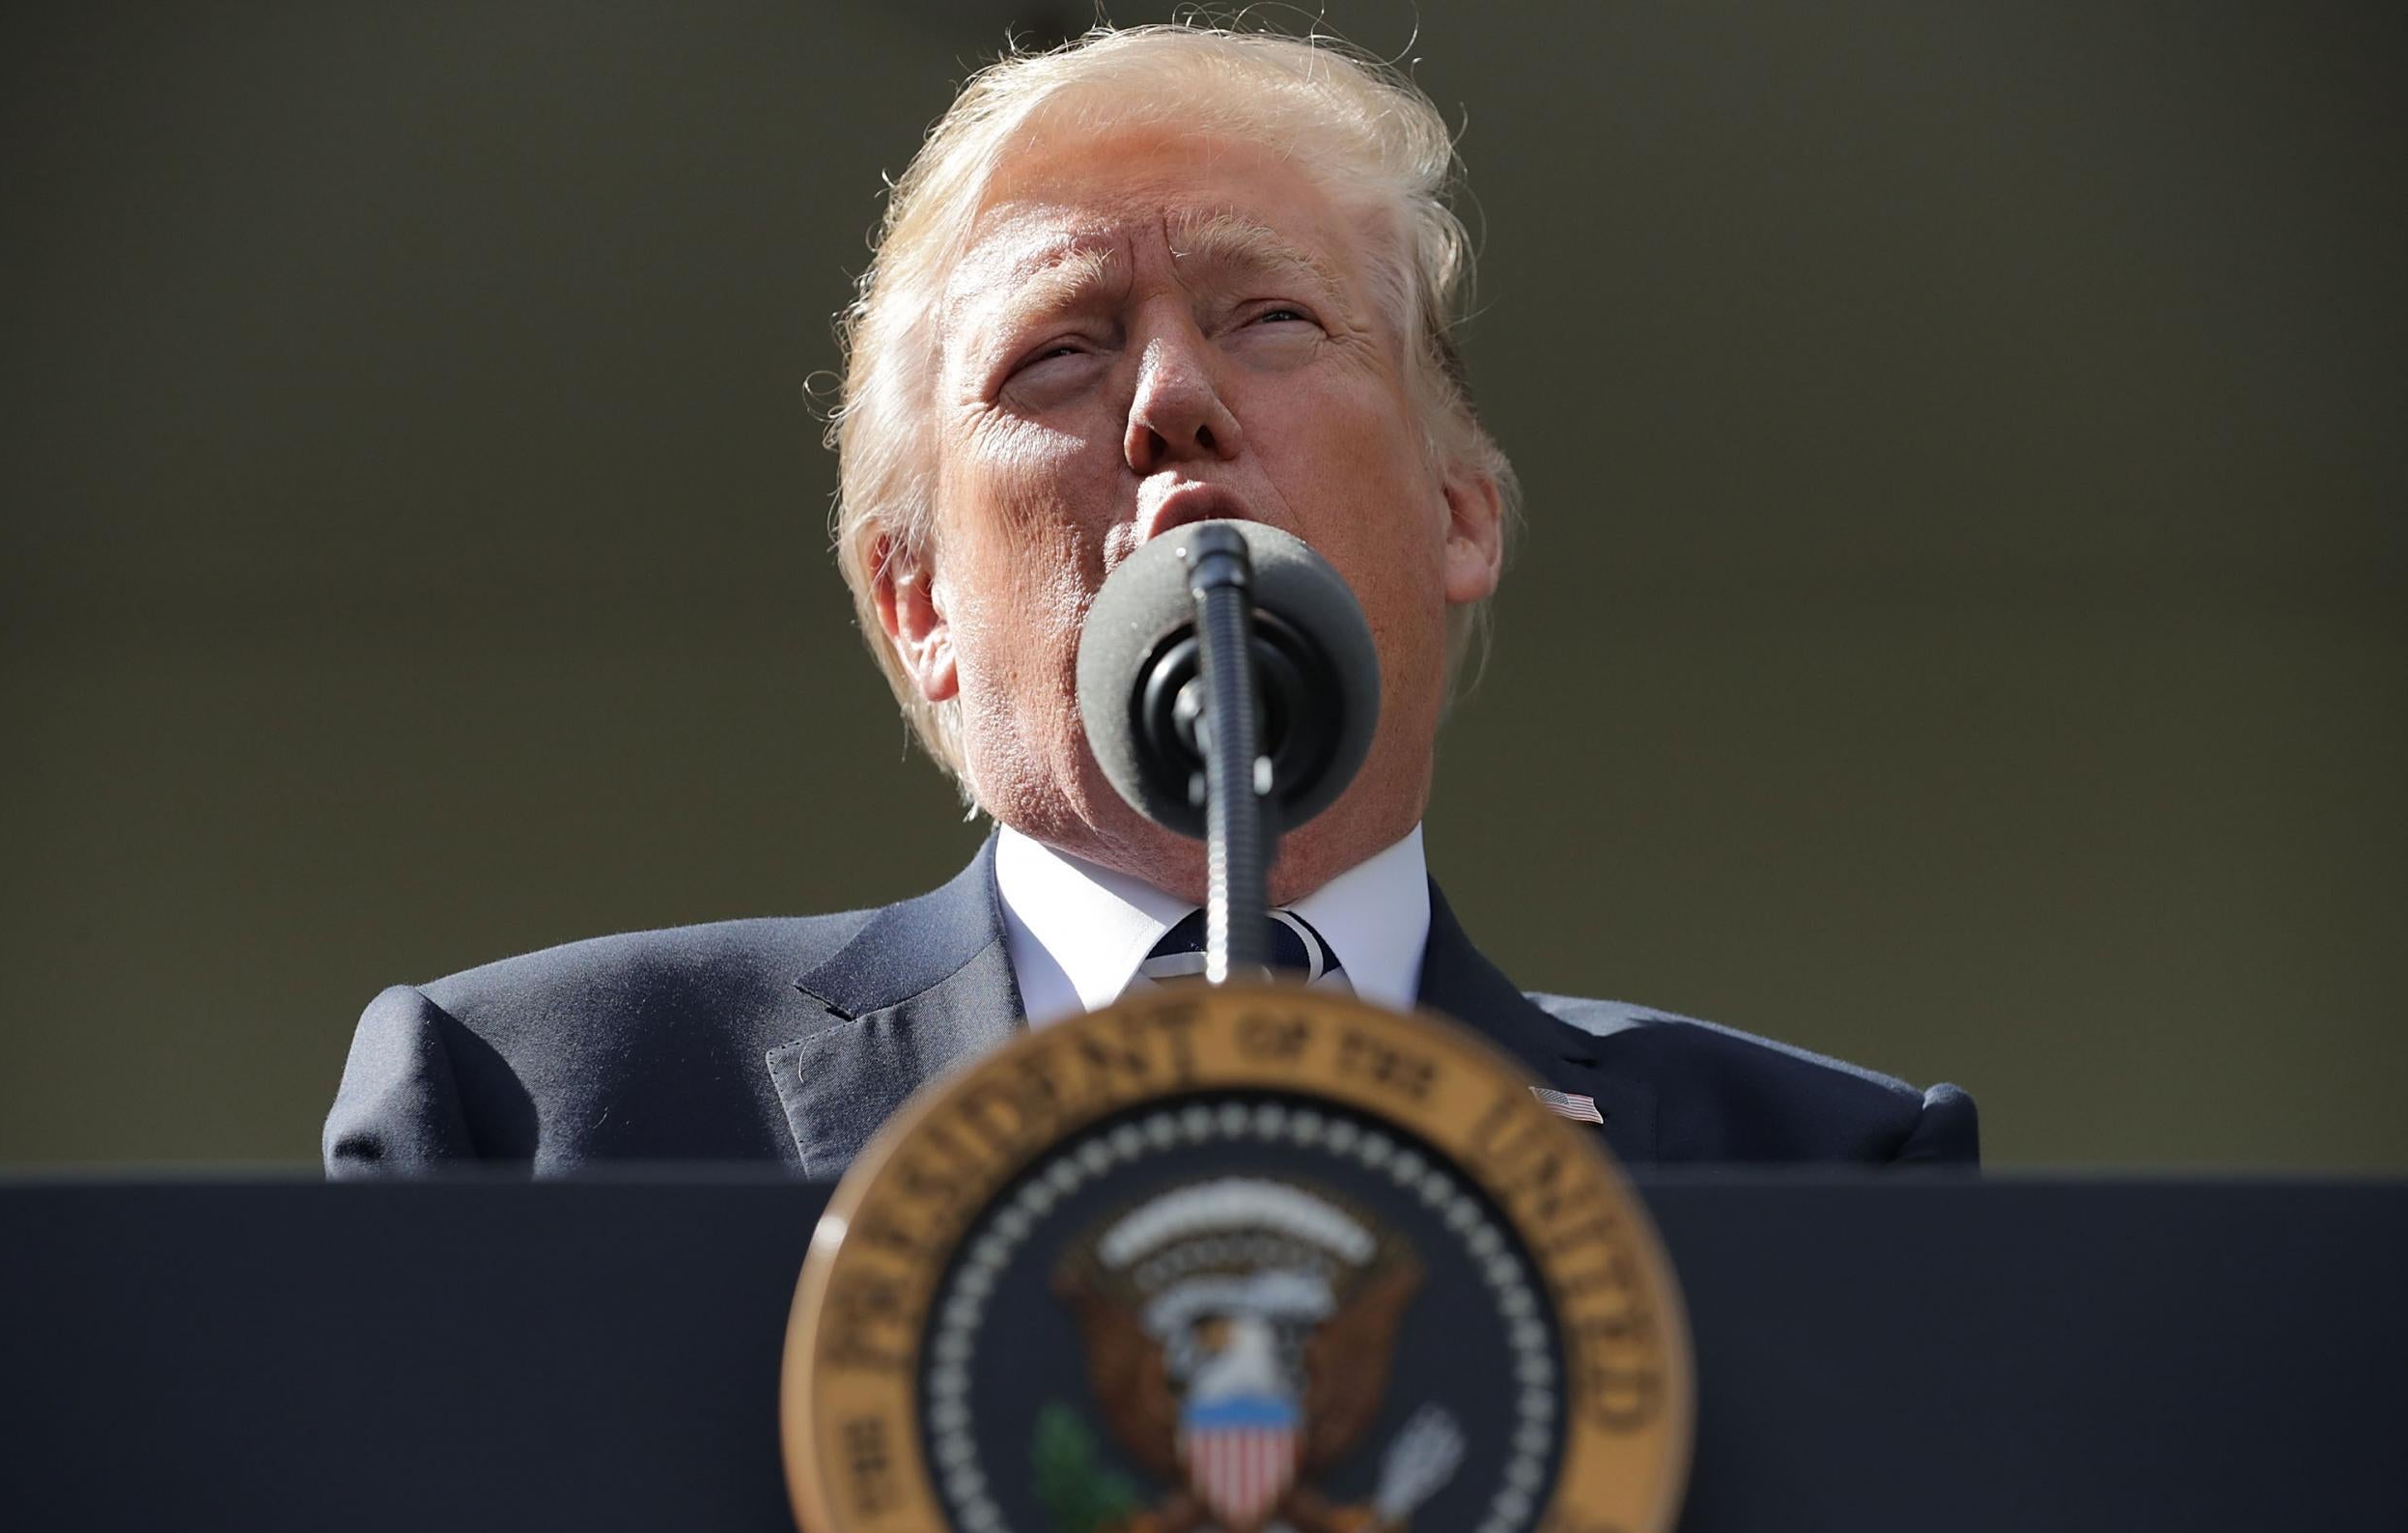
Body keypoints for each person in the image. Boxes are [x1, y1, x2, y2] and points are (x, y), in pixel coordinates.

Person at [325, 23, 1976, 1177]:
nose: (1171, 401)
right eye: (1060, 348)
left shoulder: (1818, 1178)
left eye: (1272, 317)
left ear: (1461, 513)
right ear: (915, 607)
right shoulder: (540, 1118)